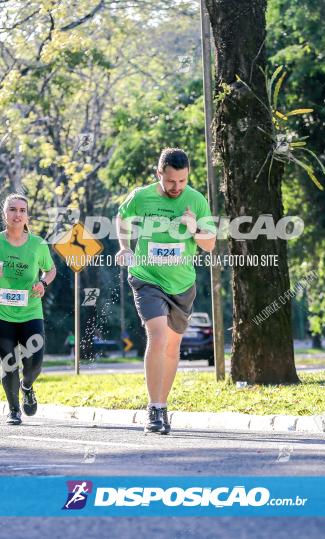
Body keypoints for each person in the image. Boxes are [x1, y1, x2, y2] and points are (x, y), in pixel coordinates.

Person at [115, 148, 217, 434]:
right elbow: (122, 217)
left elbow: (209, 245)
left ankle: (163, 404)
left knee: (172, 347)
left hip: (182, 284)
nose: (177, 187)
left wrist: (194, 229)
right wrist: (124, 246)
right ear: (159, 173)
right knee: (158, 337)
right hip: (147, 277)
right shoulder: (141, 196)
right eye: (171, 181)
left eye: (182, 181)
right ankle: (154, 409)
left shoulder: (196, 200)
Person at [0, 193, 57, 425]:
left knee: (35, 363)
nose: (17, 214)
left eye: (22, 210)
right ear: (4, 214)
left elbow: (51, 270)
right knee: (9, 362)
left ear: (27, 215)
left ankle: (27, 386)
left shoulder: (38, 244)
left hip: (30, 311)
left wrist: (43, 283)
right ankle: (14, 410)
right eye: (12, 209)